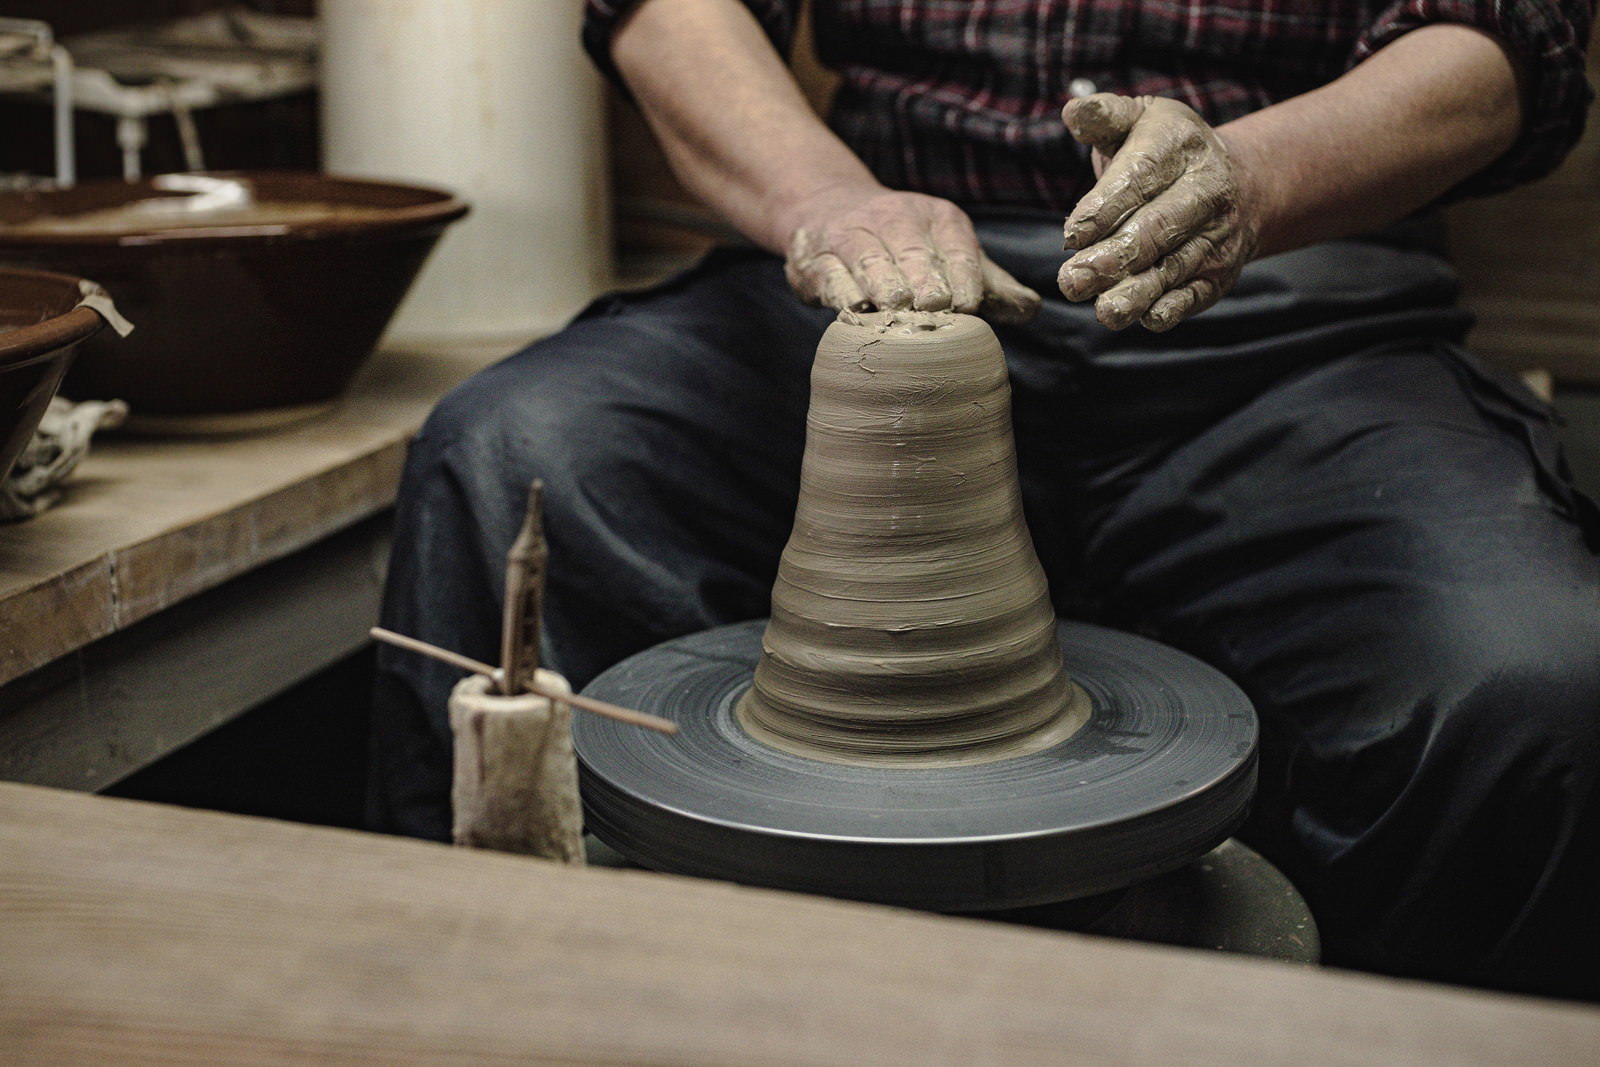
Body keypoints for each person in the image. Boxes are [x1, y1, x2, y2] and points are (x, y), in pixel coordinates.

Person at [370, 0, 1599, 999]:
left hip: (1286, 277)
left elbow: (1500, 47)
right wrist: (823, 199)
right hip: (870, 247)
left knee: (1528, 676)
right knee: (511, 456)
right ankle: (530, 1015)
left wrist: (1253, 177)